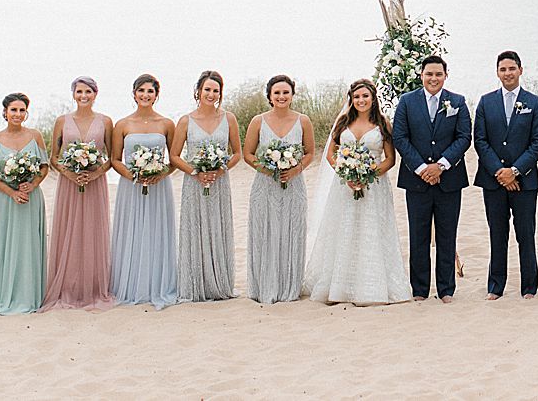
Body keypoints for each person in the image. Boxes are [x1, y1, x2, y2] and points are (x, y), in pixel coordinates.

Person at [304, 78, 411, 305]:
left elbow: (390, 159)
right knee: (344, 229)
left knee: (371, 230)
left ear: (373, 98)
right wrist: (345, 173)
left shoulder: (383, 124)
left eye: (365, 96)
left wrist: (367, 175)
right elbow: (331, 154)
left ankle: (371, 286)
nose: (361, 100)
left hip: (374, 186)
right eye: (357, 97)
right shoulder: (343, 123)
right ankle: (339, 287)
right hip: (344, 186)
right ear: (351, 100)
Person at [392, 55, 472, 302]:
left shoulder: (457, 101)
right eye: (429, 74)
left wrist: (441, 165)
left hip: (449, 180)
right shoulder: (406, 102)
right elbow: (400, 137)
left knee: (447, 235)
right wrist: (421, 168)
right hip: (416, 181)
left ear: (445, 75)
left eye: (438, 74)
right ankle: (419, 290)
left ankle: (446, 289)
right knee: (419, 235)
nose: (433, 78)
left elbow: (464, 137)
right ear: (421, 75)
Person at [473, 50, 538, 300]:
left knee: (526, 234)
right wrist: (499, 171)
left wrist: (514, 171)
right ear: (497, 72)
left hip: (524, 182)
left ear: (520, 70)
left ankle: (529, 286)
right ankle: (496, 286)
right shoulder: (486, 102)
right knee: (497, 233)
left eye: (512, 68)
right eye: (503, 69)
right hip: (493, 181)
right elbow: (480, 141)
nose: (508, 73)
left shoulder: (534, 102)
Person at [41, 76, 115, 311]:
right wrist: (69, 173)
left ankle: (93, 288)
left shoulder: (105, 121)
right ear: (73, 94)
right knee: (69, 231)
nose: (84, 96)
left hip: (95, 183)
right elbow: (54, 156)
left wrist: (94, 174)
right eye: (79, 92)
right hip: (69, 184)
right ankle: (68, 287)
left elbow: (112, 157)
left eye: (89, 92)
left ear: (96, 94)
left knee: (93, 231)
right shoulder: (62, 121)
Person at [243, 74, 315, 304]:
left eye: (286, 92)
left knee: (291, 231)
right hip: (265, 186)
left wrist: (296, 169)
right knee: (266, 232)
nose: (281, 96)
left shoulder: (303, 120)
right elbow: (248, 154)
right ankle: (263, 285)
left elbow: (310, 152)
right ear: (270, 96)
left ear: (292, 95)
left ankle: (288, 286)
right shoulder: (258, 121)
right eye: (277, 93)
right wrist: (266, 168)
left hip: (294, 184)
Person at [170, 70, 242, 302]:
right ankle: (195, 285)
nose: (211, 94)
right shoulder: (185, 121)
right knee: (196, 229)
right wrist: (195, 172)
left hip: (219, 184)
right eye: (207, 90)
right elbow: (174, 156)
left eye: (215, 91)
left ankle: (219, 284)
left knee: (217, 228)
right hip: (194, 184)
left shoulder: (228, 118)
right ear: (198, 91)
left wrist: (220, 171)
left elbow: (237, 153)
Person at [110, 73, 177, 309]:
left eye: (150, 91)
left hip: (159, 187)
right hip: (131, 186)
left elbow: (174, 159)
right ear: (134, 94)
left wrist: (160, 174)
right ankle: (131, 284)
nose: (145, 95)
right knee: (133, 231)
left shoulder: (167, 124)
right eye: (141, 91)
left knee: (157, 230)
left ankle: (157, 283)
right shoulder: (123, 124)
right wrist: (134, 176)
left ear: (157, 95)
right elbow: (115, 159)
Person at [0, 92, 49, 314]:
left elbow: (44, 166)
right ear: (5, 112)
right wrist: (11, 192)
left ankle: (29, 295)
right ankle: (3, 294)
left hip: (30, 198)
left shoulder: (35, 136)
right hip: (6, 200)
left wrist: (34, 184)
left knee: (28, 244)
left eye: (22, 110)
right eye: (13, 110)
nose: (18, 114)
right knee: (5, 243)